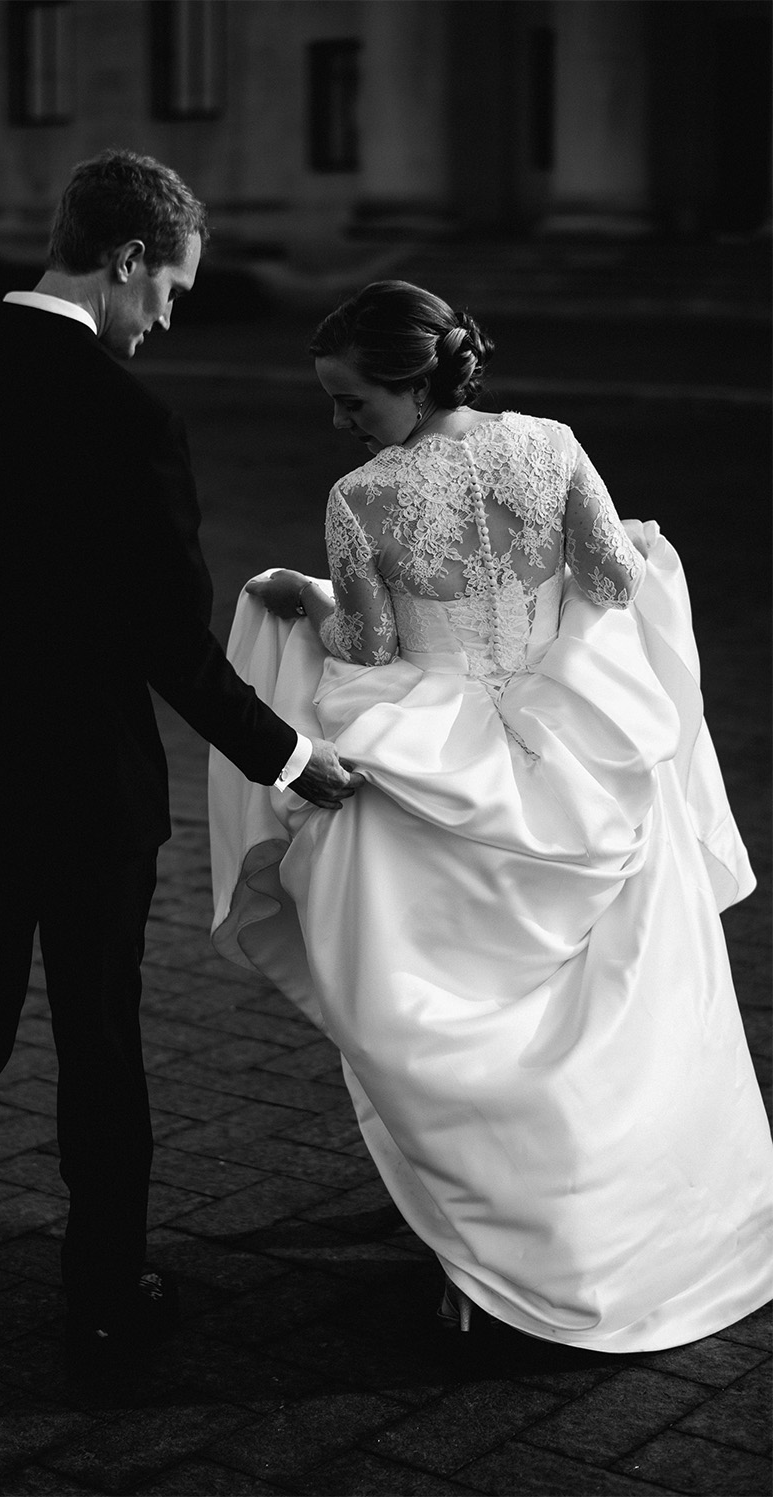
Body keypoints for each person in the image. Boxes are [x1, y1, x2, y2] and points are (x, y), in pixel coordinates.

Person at [0, 150, 360, 1493]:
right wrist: (295, 760)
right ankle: (108, 1295)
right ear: (125, 257)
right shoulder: (131, 422)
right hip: (85, 804)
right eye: (169, 288)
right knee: (102, 1052)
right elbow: (173, 648)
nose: (169, 317)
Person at [219, 281, 773, 1353]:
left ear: (408, 381)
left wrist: (303, 598)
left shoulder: (358, 498)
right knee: (614, 1012)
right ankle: (614, 1226)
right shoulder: (552, 443)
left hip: (441, 763)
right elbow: (610, 578)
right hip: (576, 747)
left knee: (437, 1016)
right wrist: (627, 555)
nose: (338, 424)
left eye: (350, 403)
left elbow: (371, 651)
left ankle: (476, 1247)